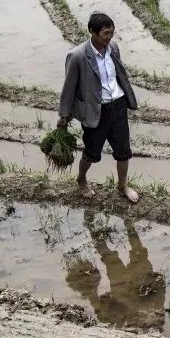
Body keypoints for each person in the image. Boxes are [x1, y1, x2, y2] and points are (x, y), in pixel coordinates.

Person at [57, 13, 140, 203]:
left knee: (123, 151)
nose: (110, 37)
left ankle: (123, 185)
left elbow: (119, 75)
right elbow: (69, 88)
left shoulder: (113, 48)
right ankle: (81, 179)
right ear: (93, 32)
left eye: (112, 32)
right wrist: (64, 115)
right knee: (92, 152)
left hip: (118, 106)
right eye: (105, 33)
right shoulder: (77, 55)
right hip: (96, 110)